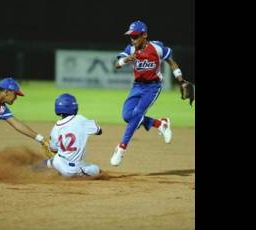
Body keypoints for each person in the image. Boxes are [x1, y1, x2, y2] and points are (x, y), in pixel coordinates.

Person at [110, 20, 190, 166]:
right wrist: (127, 59)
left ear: (144, 35)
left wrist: (181, 80)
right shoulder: (131, 49)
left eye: (135, 36)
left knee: (137, 113)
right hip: (137, 86)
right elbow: (116, 65)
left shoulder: (157, 48)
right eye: (131, 36)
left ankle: (121, 148)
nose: (132, 39)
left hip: (153, 87)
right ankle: (161, 124)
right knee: (127, 116)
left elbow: (171, 62)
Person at [45, 93, 102, 177]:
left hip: (59, 164)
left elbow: (54, 150)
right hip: (74, 170)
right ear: (74, 107)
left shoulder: (55, 128)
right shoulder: (81, 119)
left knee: (52, 160)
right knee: (98, 171)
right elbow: (99, 131)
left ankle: (30, 169)